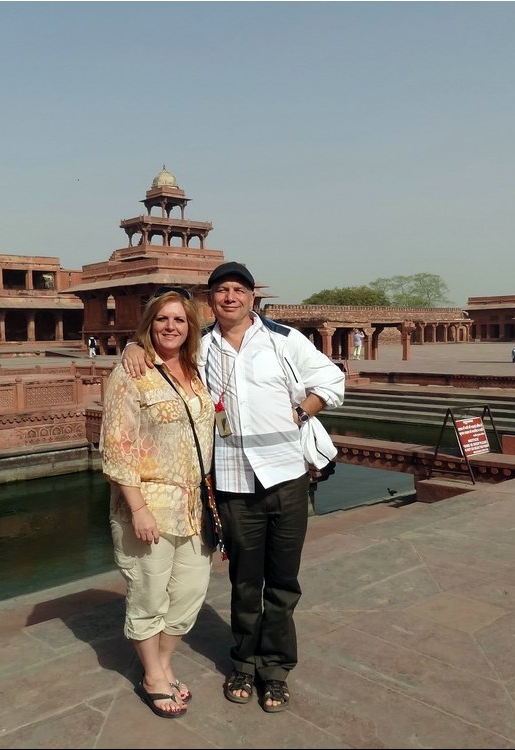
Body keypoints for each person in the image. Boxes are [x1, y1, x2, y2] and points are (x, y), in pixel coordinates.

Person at [122, 261, 345, 713]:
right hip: (233, 482)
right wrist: (132, 345)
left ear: (251, 297)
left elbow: (333, 380)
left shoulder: (284, 340)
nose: (230, 297)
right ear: (210, 300)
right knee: (246, 582)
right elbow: (160, 348)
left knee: (282, 582)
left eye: (238, 290)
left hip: (286, 478)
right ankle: (243, 662)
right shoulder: (200, 347)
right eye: (221, 290)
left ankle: (276, 669)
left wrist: (305, 409)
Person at [99, 287, 215, 719]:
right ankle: (153, 675)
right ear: (149, 325)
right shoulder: (131, 373)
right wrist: (138, 507)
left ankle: (163, 663)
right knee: (148, 593)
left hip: (195, 505)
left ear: (191, 327)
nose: (171, 327)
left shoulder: (197, 369)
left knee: (189, 593)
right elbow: (116, 448)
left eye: (179, 320)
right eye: (162, 320)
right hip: (148, 505)